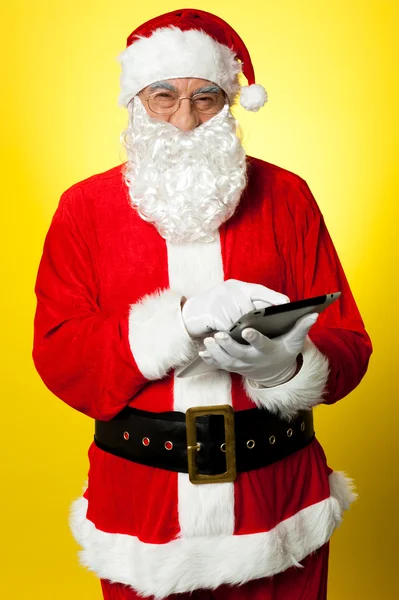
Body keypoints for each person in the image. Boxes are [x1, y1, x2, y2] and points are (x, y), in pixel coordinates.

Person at [32, 8, 372, 600]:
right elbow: (61, 357)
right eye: (164, 96)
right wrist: (179, 322)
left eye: (206, 98)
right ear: (136, 100)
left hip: (277, 502)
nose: (184, 119)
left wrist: (284, 368)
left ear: (231, 103)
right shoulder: (83, 209)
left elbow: (350, 344)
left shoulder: (286, 196)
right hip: (142, 508)